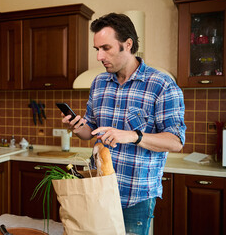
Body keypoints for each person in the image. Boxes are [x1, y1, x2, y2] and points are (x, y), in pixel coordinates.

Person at [62, 13, 186, 235]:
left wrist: (132, 135)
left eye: (106, 48)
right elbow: (90, 131)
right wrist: (78, 126)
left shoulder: (162, 85)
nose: (99, 56)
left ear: (128, 44)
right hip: (96, 189)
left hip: (135, 197)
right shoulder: (99, 83)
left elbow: (176, 142)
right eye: (96, 49)